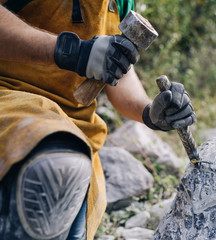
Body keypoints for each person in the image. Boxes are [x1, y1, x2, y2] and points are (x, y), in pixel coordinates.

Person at [0, 0, 196, 239]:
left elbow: (118, 73)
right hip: (11, 101)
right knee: (57, 166)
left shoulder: (120, 2)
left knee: (69, 172)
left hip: (78, 133)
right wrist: (70, 51)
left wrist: (150, 112)